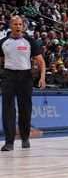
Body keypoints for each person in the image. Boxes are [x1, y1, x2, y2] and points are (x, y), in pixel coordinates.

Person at [1, 16, 46, 150]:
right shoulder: (3, 42)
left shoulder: (30, 41)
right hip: (8, 75)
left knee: (25, 108)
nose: (18, 26)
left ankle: (25, 137)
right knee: (7, 108)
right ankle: (9, 142)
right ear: (11, 25)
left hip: (25, 76)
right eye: (15, 24)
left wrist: (42, 76)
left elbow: (41, 61)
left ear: (23, 26)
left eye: (20, 24)